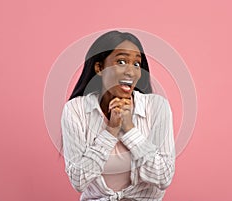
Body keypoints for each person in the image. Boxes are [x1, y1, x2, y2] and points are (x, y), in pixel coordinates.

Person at [61, 30, 175, 201]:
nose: (131, 72)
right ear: (100, 68)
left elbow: (163, 177)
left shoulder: (157, 107)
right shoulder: (75, 110)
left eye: (136, 64)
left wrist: (129, 129)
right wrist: (111, 130)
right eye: (121, 62)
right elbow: (78, 180)